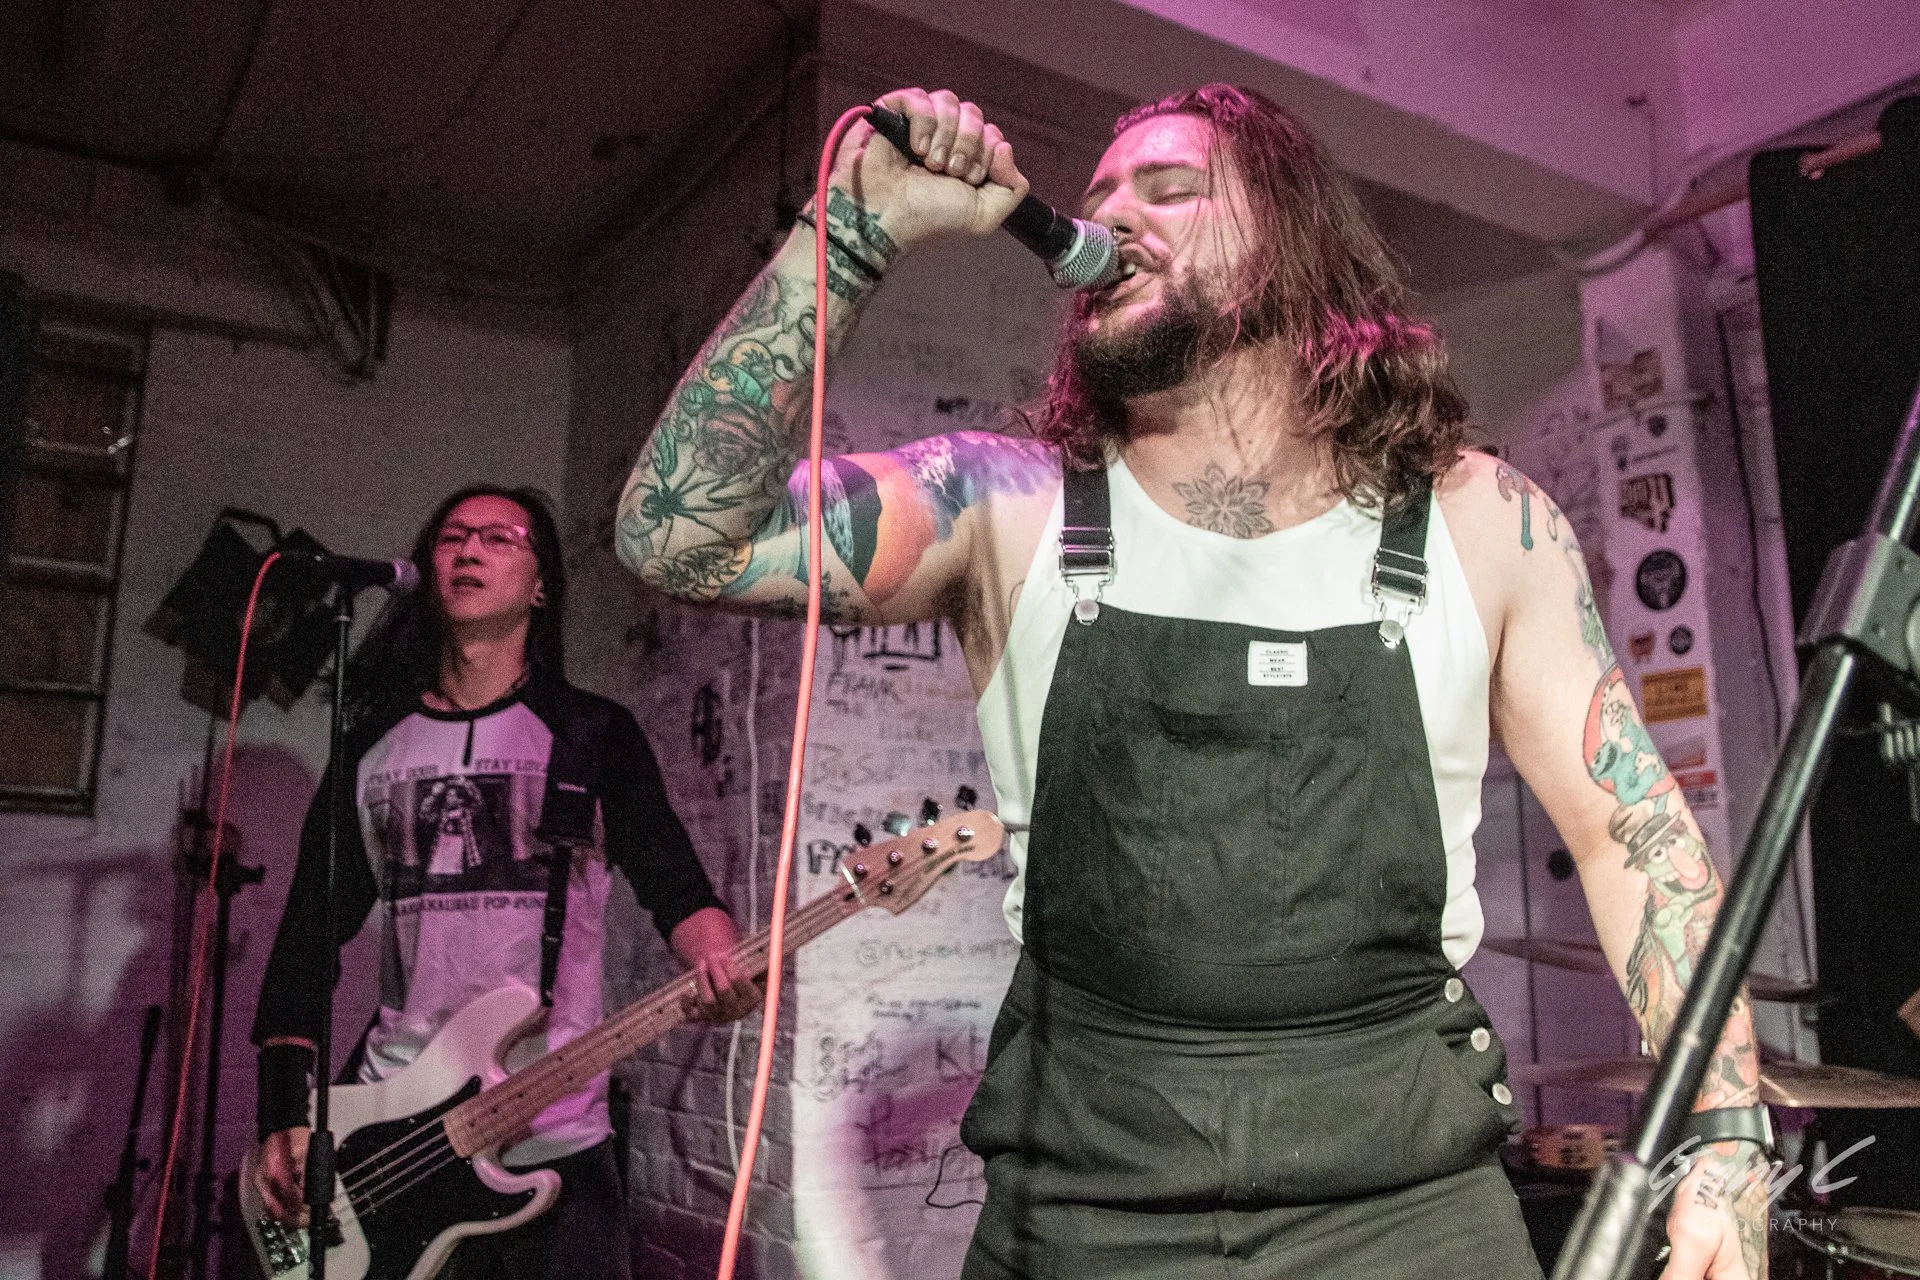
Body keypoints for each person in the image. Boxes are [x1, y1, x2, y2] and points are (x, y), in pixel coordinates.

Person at [616, 85, 1770, 1280]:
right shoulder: (1005, 504)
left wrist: (1728, 1137)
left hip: (1407, 1206)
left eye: (1170, 190)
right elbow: (677, 538)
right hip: (1080, 1207)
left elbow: (1634, 834)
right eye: (1103, 196)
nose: (1116, 216)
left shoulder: (1480, 519)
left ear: (1297, 244)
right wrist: (851, 232)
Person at [250, 485, 760, 1278]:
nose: (469, 549)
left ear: (541, 584)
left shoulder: (591, 734)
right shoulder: (371, 743)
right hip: (387, 1132)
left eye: (498, 538)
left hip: (553, 1130)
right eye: (452, 536)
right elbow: (306, 941)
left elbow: (678, 887)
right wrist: (282, 1113)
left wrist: (723, 964)